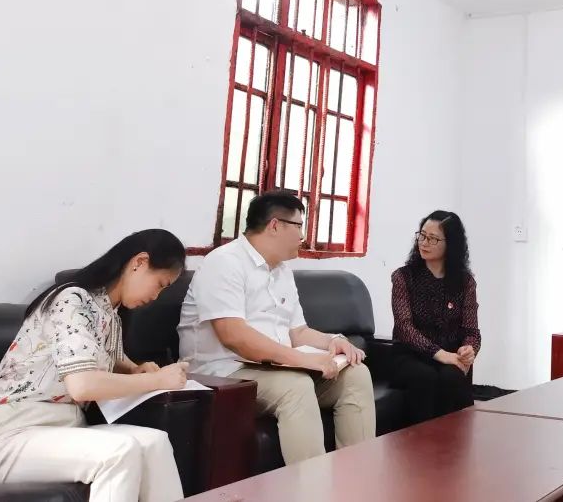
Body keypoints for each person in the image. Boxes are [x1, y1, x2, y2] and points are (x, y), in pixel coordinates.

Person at [0, 229, 189, 502]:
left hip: (56, 433)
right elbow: (83, 385)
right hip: (5, 439)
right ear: (139, 262)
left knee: (155, 443)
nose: (156, 296)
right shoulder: (73, 300)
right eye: (160, 284)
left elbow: (104, 357)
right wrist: (156, 380)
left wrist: (135, 369)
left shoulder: (108, 314)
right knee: (120, 452)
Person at [178, 190, 375, 464]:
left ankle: (357, 478)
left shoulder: (282, 271)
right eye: (299, 226)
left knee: (356, 375)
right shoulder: (224, 262)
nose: (302, 236)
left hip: (274, 368)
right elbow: (234, 336)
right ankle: (312, 486)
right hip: (223, 373)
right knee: (295, 386)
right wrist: (303, 360)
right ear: (274, 225)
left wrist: (333, 341)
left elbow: (298, 332)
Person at [390, 211, 481, 424]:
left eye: (433, 239)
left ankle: (455, 440)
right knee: (426, 377)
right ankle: (419, 441)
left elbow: (472, 331)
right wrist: (440, 354)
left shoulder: (465, 282)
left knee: (452, 376)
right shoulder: (403, 277)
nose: (424, 242)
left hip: (450, 355)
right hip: (410, 356)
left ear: (451, 244)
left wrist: (469, 349)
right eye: (422, 235)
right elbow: (404, 328)